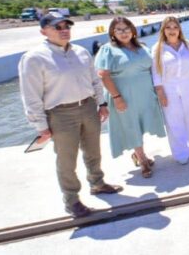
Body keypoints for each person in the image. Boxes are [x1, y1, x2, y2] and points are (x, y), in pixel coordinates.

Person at [18, 12, 122, 218]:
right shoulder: (34, 58)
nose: (64, 30)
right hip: (60, 113)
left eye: (67, 26)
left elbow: (94, 80)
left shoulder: (81, 52)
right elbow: (30, 95)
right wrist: (40, 126)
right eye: (58, 27)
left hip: (88, 107)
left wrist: (101, 103)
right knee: (67, 159)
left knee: (93, 150)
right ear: (43, 31)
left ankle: (97, 183)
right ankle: (72, 200)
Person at [95, 17, 166, 178]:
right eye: (119, 29)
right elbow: (103, 75)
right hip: (123, 95)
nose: (123, 33)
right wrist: (117, 97)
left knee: (140, 125)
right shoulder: (108, 49)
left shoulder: (142, 47)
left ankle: (139, 153)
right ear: (113, 33)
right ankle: (142, 160)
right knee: (131, 125)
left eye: (126, 29)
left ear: (133, 30)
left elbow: (152, 69)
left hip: (145, 94)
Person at [151, 16, 189, 164]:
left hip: (187, 86)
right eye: (168, 27)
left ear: (179, 29)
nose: (172, 30)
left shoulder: (188, 45)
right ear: (163, 30)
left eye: (175, 27)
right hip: (168, 88)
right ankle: (181, 153)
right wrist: (160, 92)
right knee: (174, 121)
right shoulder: (158, 48)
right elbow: (156, 73)